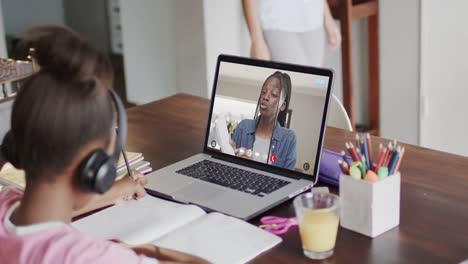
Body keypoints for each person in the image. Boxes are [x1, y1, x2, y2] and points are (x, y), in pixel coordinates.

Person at [0, 25, 208, 264]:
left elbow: (44, 220)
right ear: (95, 169)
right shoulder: (84, 257)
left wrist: (117, 190)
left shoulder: (7, 202)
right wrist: (139, 250)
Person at [242, 0, 341, 67]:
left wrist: (328, 17)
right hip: (276, 21)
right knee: (295, 84)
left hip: (313, 18)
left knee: (314, 86)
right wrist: (257, 40)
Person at [230, 71, 297, 170]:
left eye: (273, 94)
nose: (265, 97)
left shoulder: (289, 139)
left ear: (282, 106)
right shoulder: (243, 127)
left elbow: (289, 180)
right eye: (264, 92)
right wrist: (231, 156)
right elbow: (228, 168)